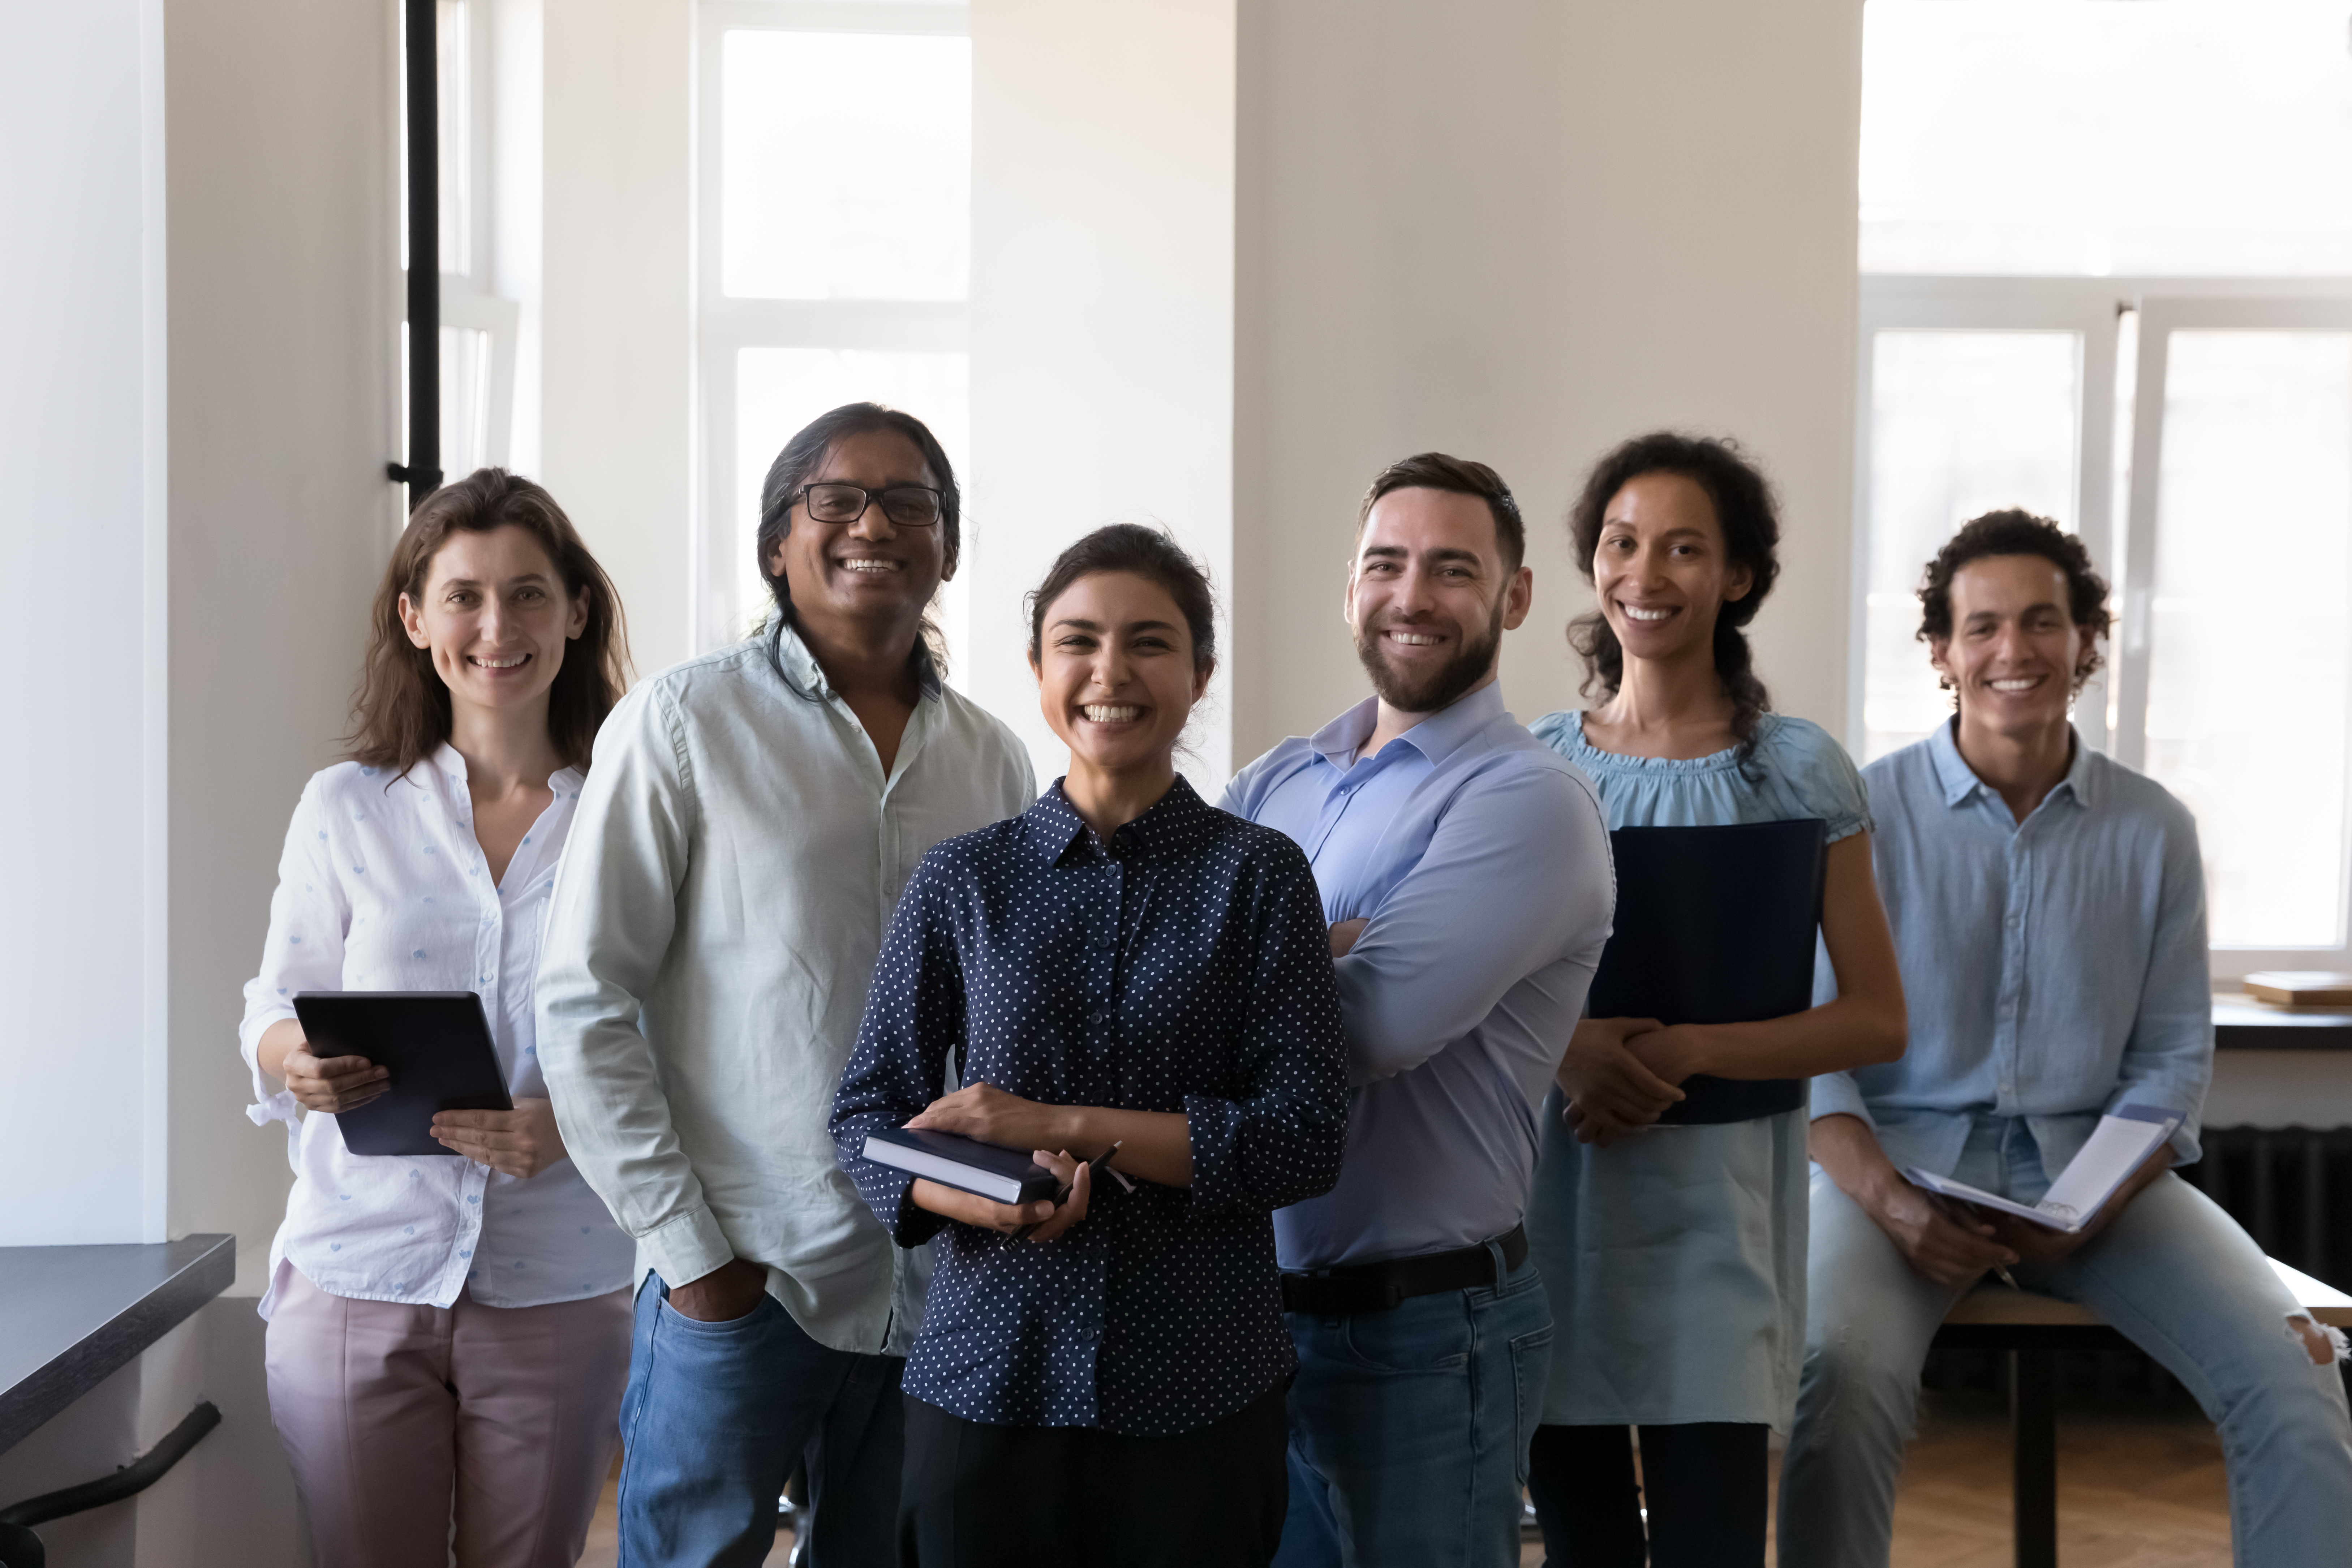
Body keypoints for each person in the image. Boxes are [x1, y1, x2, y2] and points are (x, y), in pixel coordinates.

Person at [1777, 509, 2352, 1566]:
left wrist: (2089, 1204)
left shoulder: (2155, 827)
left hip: (2104, 1183)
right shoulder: (1861, 811)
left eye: (2043, 621)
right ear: (1942, 652)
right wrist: (1899, 1208)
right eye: (1983, 625)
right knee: (1837, 1376)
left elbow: (2173, 1060)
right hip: (1896, 1175)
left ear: (2087, 640)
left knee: (2298, 1365)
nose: (2015, 650)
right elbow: (1820, 1061)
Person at [535, 404, 1035, 1567]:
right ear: (777, 543)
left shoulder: (994, 758)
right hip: (746, 1279)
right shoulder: (681, 722)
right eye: (838, 499)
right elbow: (583, 1001)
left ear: (948, 549)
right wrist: (694, 1258)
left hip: (927, 1281)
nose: (876, 524)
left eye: (911, 503)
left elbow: (1005, 1025)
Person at [830, 524, 1350, 1565]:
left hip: (1202, 1389)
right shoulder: (963, 879)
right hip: (987, 1377)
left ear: (1200, 672)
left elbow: (1302, 1139)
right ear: (1037, 669)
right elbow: (865, 1117)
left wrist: (1059, 1127)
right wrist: (973, 1192)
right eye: (1079, 642)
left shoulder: (1262, 878)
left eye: (1149, 642)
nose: (1111, 672)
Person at [1218, 453, 1615, 1568]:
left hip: (1426, 1336)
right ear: (1351, 587)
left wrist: (1265, 964)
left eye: (1453, 569)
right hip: (1253, 1315)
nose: (1413, 595)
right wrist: (1325, 948)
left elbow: (1371, 1031)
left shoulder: (1529, 802)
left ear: (1515, 597)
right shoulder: (1274, 780)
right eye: (1387, 563)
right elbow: (1165, 981)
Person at [1518, 432, 1907, 1567]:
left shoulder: (1799, 767)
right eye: (1623, 543)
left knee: (1716, 1546)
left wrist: (1689, 1046)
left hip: (1722, 1228)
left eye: (1685, 548)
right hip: (1560, 1210)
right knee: (1584, 1549)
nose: (1647, 573)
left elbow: (1876, 1016)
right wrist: (1566, 1048)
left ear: (1737, 576)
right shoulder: (1535, 764)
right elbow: (1473, 994)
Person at [238, 469, 637, 1568]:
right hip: (358, 1267)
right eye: (463, 595)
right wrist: (297, 1062)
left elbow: (686, 1028)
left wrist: (574, 1123)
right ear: (416, 619)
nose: (496, 626)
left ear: (577, 611)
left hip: (557, 1275)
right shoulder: (346, 808)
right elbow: (273, 1000)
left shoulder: (634, 815)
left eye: (529, 593)